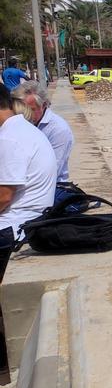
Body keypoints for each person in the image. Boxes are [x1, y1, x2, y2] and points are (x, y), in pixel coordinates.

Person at [0, 82, 57, 283]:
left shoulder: (9, 138)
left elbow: (4, 198)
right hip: (32, 217)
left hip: (13, 227)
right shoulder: (23, 128)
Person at [11, 84, 74, 187]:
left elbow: (51, 171)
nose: (23, 115)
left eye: (30, 109)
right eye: (19, 110)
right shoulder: (21, 123)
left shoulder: (58, 129)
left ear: (44, 105)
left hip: (49, 187)